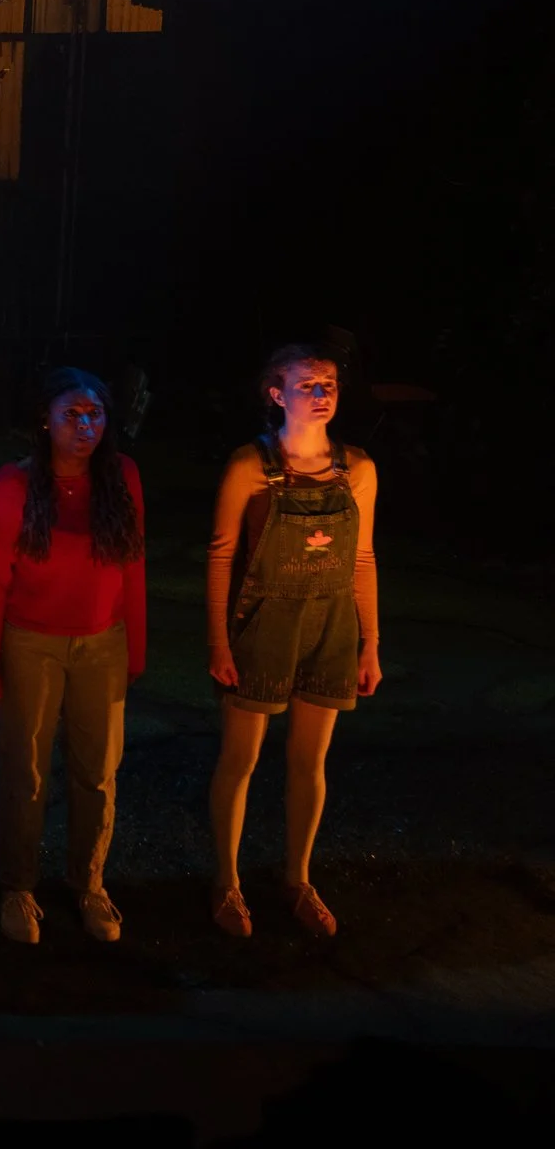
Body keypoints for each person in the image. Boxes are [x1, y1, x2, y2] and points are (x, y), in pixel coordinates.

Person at [203, 345, 381, 940]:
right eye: (308, 384)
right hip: (264, 626)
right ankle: (226, 883)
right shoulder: (250, 466)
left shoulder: (357, 469)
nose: (323, 393)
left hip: (330, 627)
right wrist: (219, 643)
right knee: (241, 760)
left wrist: (370, 643)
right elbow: (221, 555)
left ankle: (298, 880)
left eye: (329, 383)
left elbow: (362, 557)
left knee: (310, 762)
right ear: (277, 395)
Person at [0, 368, 148, 946]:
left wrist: (136, 649)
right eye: (71, 414)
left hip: (104, 643)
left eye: (95, 415)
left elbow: (133, 568)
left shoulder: (121, 477)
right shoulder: (13, 486)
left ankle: (88, 882)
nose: (85, 426)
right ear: (45, 421)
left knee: (98, 772)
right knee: (25, 772)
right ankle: (18, 887)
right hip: (31, 644)